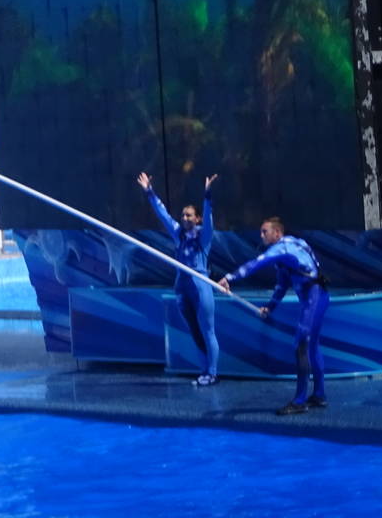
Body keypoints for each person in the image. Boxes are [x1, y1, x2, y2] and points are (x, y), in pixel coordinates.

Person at [216, 217, 330, 415]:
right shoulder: (288, 249)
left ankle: (300, 401)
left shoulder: (282, 248)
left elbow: (256, 264)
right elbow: (282, 285)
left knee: (301, 345)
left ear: (277, 233)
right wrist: (271, 307)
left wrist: (229, 277)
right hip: (316, 296)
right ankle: (319, 396)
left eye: (264, 231)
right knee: (311, 346)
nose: (261, 235)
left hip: (315, 296)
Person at [137, 171, 219, 385]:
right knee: (194, 329)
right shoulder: (178, 233)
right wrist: (149, 192)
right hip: (181, 286)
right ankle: (203, 370)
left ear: (197, 218)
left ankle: (213, 372)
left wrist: (207, 195)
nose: (184, 218)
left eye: (189, 215)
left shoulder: (204, 235)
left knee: (207, 329)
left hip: (200, 285)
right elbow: (163, 214)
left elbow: (209, 218)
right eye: (183, 215)